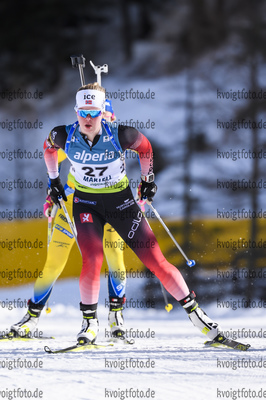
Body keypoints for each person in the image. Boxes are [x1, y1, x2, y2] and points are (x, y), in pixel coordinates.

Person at [43, 82, 224, 345]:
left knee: (156, 261)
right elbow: (48, 149)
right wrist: (54, 181)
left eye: (94, 112)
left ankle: (198, 317)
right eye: (83, 111)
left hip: (121, 204)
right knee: (92, 260)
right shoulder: (63, 135)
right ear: (76, 111)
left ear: (103, 112)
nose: (89, 118)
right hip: (86, 205)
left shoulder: (121, 134)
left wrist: (147, 180)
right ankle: (89, 325)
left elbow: (145, 147)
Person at [9, 100, 127, 339]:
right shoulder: (77, 140)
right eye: (96, 117)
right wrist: (52, 192)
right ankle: (31, 319)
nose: (98, 123)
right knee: (53, 263)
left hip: (110, 210)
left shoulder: (116, 142)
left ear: (111, 120)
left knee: (114, 256)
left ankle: (116, 317)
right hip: (72, 207)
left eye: (105, 117)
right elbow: (52, 155)